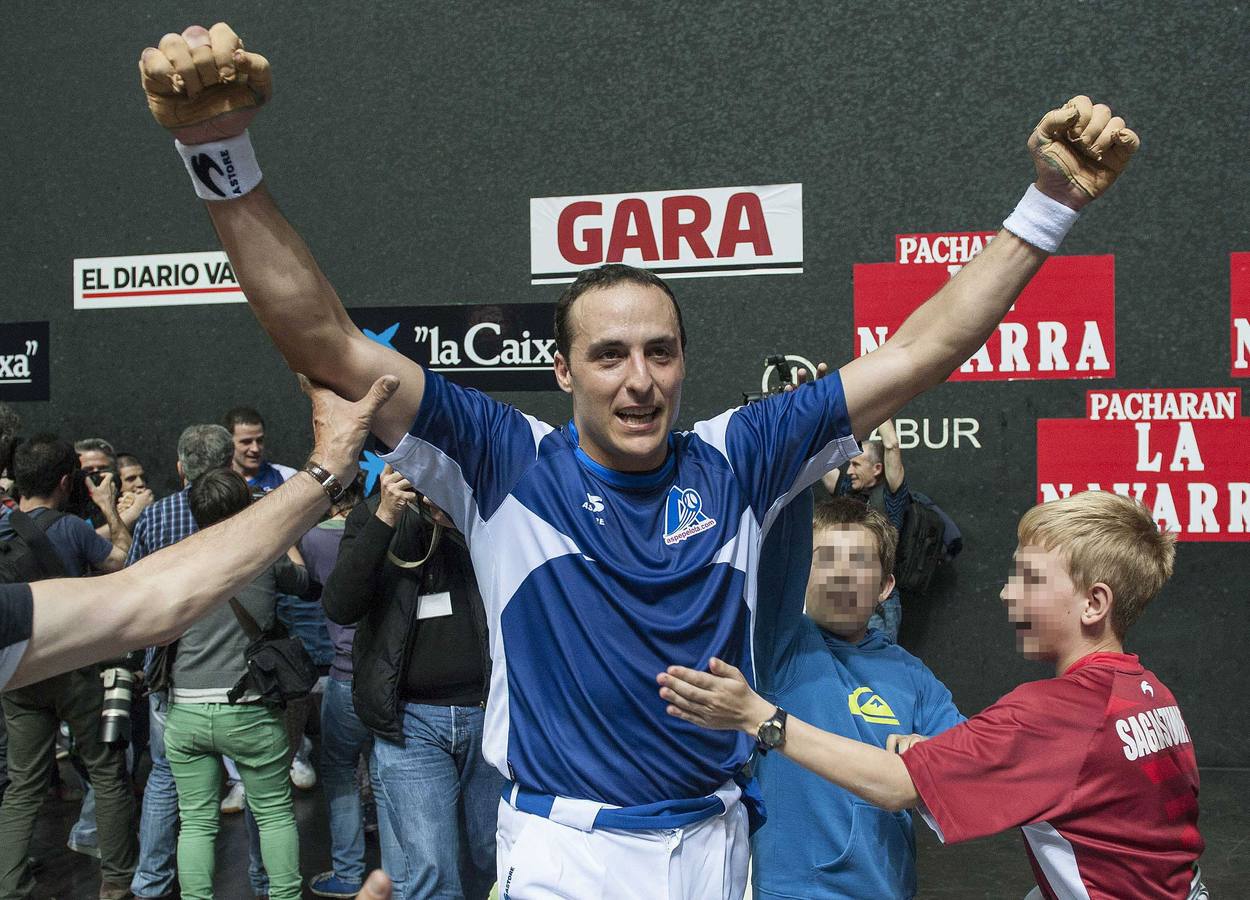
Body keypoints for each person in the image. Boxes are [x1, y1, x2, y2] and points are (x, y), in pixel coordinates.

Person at [136, 23, 1137, 896]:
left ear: (682, 363)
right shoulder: (505, 462)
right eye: (608, 354)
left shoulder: (739, 455)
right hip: (568, 855)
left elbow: (921, 351)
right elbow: (327, 344)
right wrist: (217, 150)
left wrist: (1046, 203)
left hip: (711, 845)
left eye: (659, 351)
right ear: (564, 369)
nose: (637, 378)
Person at [660, 491, 1207, 899]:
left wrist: (764, 719)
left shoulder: (1052, 713)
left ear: (1093, 604)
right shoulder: (1152, 696)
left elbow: (906, 785)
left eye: (1029, 578)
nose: (1005, 592)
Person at [751, 493, 961, 898]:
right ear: (800, 576)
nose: (843, 574)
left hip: (887, 889)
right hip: (792, 890)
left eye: (860, 561)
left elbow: (968, 770)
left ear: (885, 586)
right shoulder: (778, 647)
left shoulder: (912, 676)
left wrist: (932, 752)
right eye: (825, 558)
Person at [323, 465, 497, 899]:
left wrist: (456, 522)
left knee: (491, 859)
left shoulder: (480, 513)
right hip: (410, 720)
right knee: (431, 869)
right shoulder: (370, 517)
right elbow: (341, 605)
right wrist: (386, 515)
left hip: (490, 713)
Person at [0, 437, 138, 899]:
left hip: (18, 667)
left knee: (23, 786)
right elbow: (122, 563)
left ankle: (10, 888)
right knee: (106, 772)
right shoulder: (75, 529)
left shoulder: (1, 530)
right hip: (76, 666)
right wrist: (109, 508)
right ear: (66, 481)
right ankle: (116, 883)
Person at [163, 467, 310, 900]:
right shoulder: (262, 556)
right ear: (246, 505)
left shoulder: (176, 559)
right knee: (275, 814)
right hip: (247, 706)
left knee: (196, 821)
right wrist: (284, 535)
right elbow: (306, 585)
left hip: (186, 708)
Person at [126, 423, 233, 900]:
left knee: (166, 778)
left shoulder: (155, 518)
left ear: (178, 467)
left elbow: (130, 592)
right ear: (230, 466)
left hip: (168, 671)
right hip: (240, 673)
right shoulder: (250, 517)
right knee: (264, 793)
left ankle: (150, 883)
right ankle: (261, 882)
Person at [823, 419, 910, 638]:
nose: (849, 470)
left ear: (877, 468)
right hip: (838, 596)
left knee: (877, 667)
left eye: (856, 465)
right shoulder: (847, 490)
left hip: (876, 599)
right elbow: (821, 461)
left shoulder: (891, 497)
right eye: (849, 464)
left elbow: (891, 444)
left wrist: (879, 399)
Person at [224, 406, 297, 493]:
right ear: (229, 443)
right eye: (246, 441)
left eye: (259, 440)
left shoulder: (288, 477)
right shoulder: (215, 483)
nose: (255, 449)